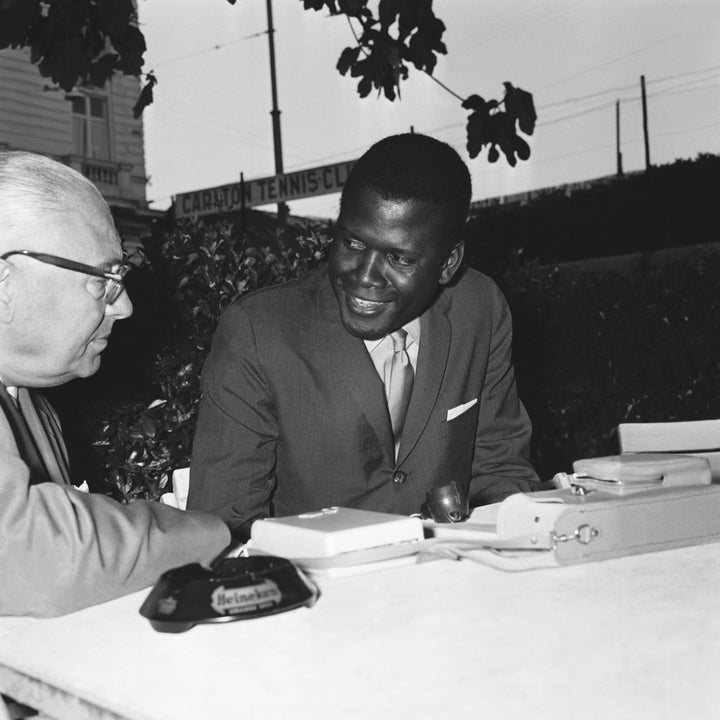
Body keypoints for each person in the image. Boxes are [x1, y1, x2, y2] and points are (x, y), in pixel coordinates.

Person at [188, 133, 543, 539]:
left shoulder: (480, 308)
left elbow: (500, 469)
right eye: (353, 242)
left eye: (399, 258)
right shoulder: (257, 332)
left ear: (448, 263)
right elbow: (225, 523)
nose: (364, 276)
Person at [0, 151, 230, 619]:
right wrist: (219, 533)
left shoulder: (28, 398)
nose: (123, 306)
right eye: (103, 279)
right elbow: (37, 558)